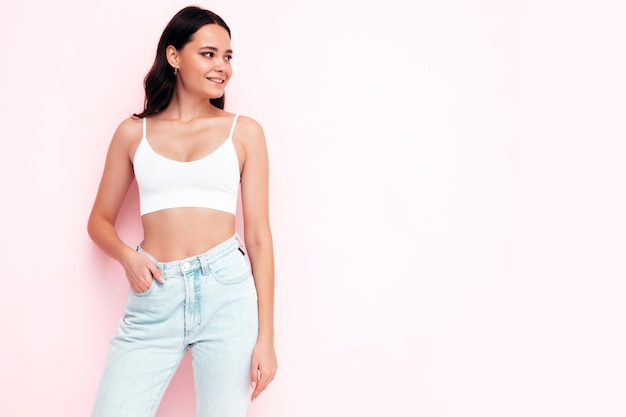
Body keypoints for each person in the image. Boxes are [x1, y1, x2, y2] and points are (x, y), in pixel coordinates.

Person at [87, 6, 277, 417]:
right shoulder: (131, 133)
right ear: (174, 56)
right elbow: (98, 221)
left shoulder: (244, 132)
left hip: (227, 292)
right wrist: (127, 258)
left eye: (228, 57)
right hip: (155, 293)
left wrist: (266, 337)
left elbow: (259, 236)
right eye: (209, 54)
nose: (221, 67)